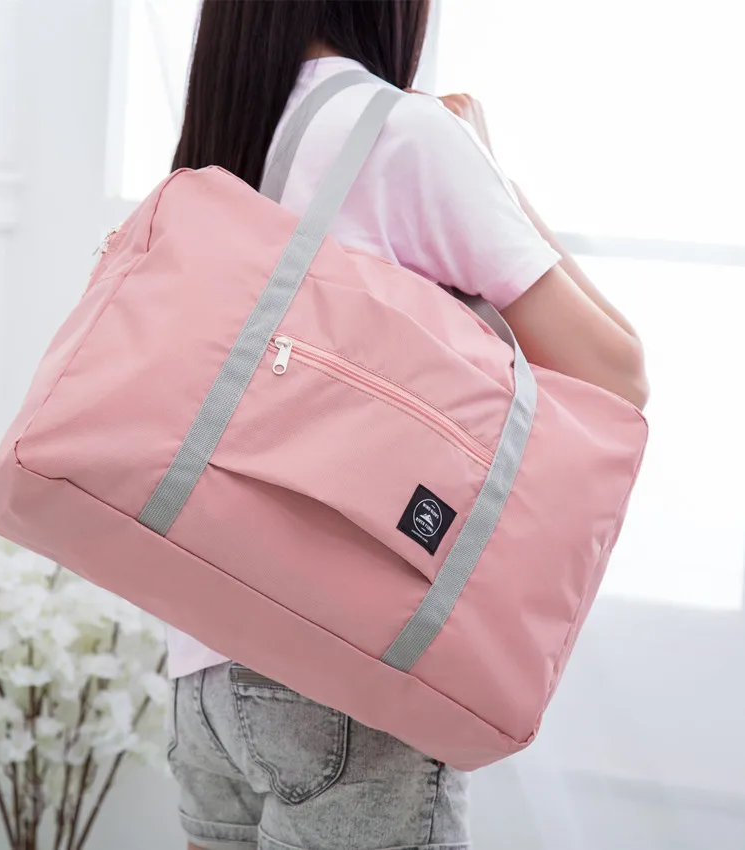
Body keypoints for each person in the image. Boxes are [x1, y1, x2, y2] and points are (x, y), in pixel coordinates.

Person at [165, 3, 649, 849]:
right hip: (340, 681)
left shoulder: (227, 129)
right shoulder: (403, 136)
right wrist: (494, 177)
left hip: (200, 678)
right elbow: (616, 372)